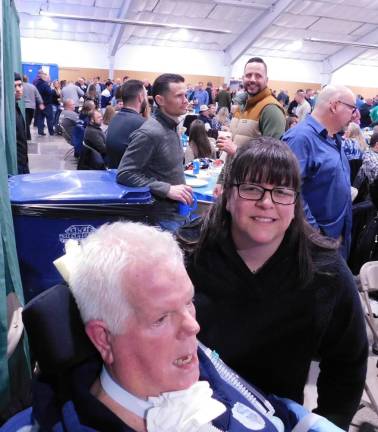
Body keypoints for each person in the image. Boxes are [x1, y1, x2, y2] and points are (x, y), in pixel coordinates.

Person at [33, 221, 345, 431]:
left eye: (188, 302)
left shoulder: (190, 360)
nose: (192, 327)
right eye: (160, 318)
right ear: (103, 339)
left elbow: (270, 407)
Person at [187, 138, 368, 430]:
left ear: (295, 202)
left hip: (275, 420)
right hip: (188, 414)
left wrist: (327, 422)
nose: (266, 202)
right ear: (228, 195)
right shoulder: (188, 253)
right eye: (251, 188)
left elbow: (348, 362)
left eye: (282, 191)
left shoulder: (325, 272)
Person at [283, 85, 356, 258]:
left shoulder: (332, 137)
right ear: (335, 105)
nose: (355, 115)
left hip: (334, 240)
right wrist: (315, 235)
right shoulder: (300, 139)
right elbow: (288, 193)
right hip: (315, 245)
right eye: (352, 109)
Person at [117, 73, 193, 230]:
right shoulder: (150, 133)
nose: (186, 100)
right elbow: (125, 173)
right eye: (179, 96)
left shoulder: (171, 126)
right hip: (162, 219)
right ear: (160, 100)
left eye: (185, 95)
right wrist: (166, 189)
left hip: (177, 213)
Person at [214, 57, 286, 196]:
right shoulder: (241, 106)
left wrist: (236, 151)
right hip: (233, 185)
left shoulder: (271, 110)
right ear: (243, 78)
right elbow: (231, 150)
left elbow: (274, 161)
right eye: (248, 75)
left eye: (258, 75)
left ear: (266, 80)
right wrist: (222, 180)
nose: (252, 79)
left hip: (254, 191)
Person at [106, 79, 147, 169]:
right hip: (130, 177)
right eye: (146, 96)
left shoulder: (115, 118)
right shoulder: (142, 124)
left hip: (114, 171)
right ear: (140, 97)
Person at [14, 72, 30, 174]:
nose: (18, 89)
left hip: (22, 160)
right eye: (14, 86)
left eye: (20, 85)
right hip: (17, 163)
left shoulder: (16, 107)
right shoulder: (9, 111)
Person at [34, 70, 54, 136]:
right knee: (49, 119)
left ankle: (40, 131)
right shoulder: (45, 84)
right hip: (47, 104)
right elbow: (49, 92)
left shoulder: (36, 83)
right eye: (46, 76)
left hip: (39, 103)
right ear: (43, 76)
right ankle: (51, 132)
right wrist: (51, 89)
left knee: (40, 118)